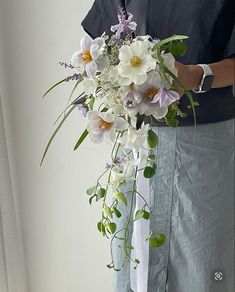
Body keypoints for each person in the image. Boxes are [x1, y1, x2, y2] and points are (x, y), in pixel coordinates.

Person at [81, 1, 235, 291]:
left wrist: (196, 76)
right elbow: (102, 46)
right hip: (138, 146)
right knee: (136, 263)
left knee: (206, 267)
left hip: (205, 151)